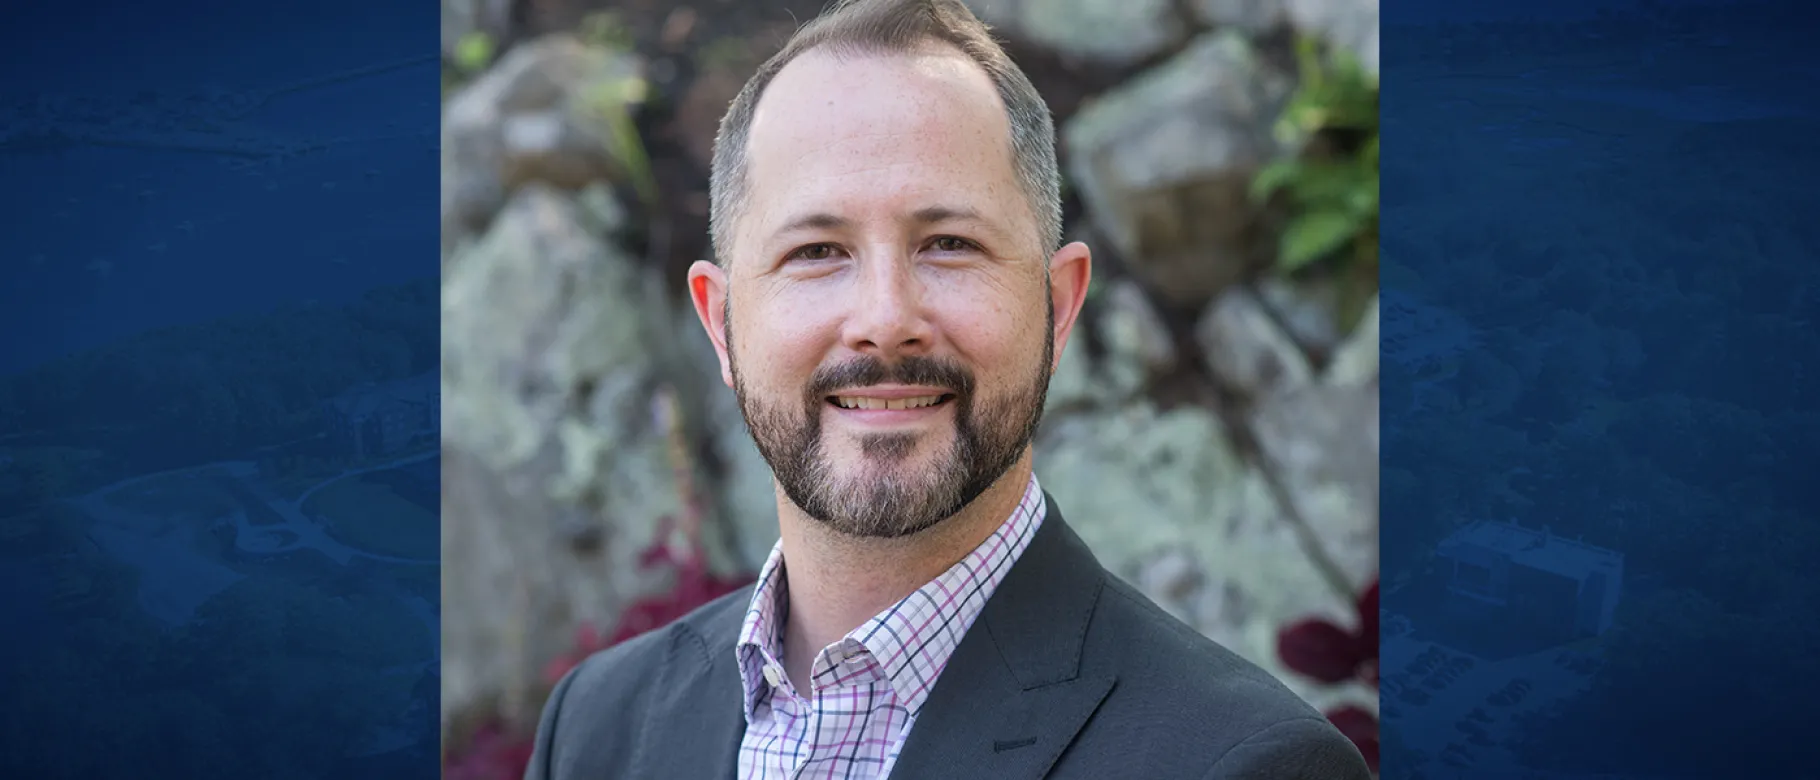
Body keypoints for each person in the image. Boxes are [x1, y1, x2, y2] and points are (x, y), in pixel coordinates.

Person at [524, 0, 1373, 777]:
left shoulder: (1244, 764)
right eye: (816, 252)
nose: (885, 319)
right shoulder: (597, 729)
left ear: (1058, 306)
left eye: (950, 244)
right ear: (721, 323)